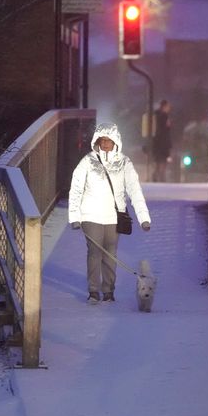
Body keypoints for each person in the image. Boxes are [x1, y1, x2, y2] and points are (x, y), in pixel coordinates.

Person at [69, 123, 151, 304]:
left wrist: (144, 218)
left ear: (116, 142)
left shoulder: (124, 163)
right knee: (94, 253)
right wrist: (74, 217)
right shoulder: (87, 161)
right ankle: (93, 291)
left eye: (109, 141)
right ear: (97, 141)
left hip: (114, 217)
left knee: (110, 255)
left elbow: (134, 190)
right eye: (103, 140)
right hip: (90, 215)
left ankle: (108, 291)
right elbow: (76, 188)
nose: (106, 144)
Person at [151, 99, 172, 182]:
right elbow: (166, 130)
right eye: (168, 106)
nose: (169, 108)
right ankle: (161, 178)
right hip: (163, 143)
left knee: (158, 162)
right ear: (164, 106)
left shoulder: (155, 115)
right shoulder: (164, 116)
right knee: (162, 162)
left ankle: (156, 177)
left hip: (156, 142)